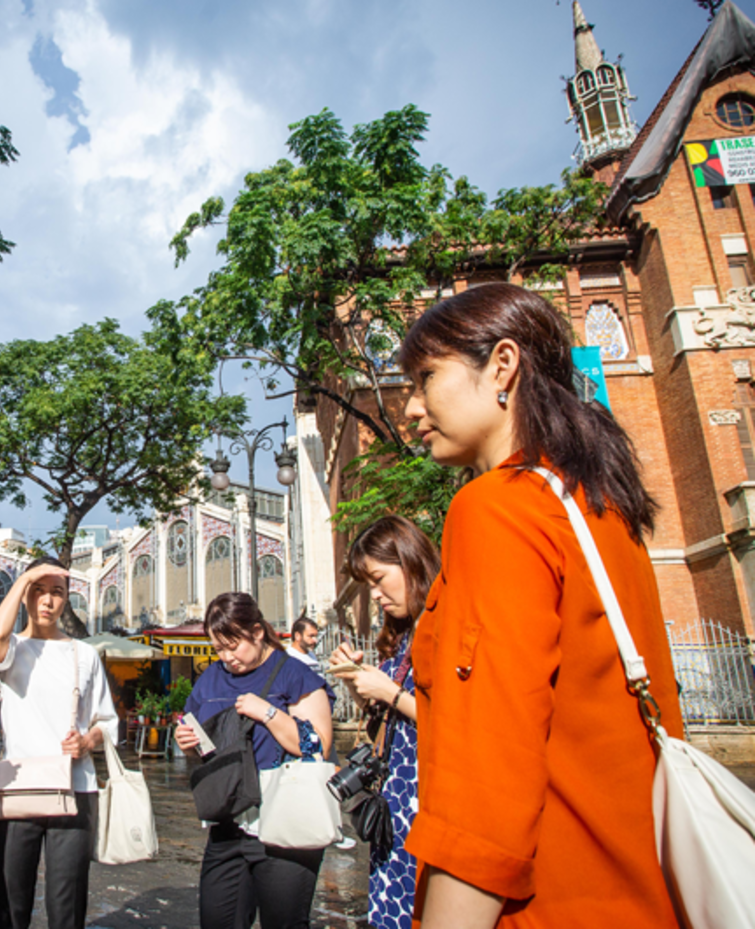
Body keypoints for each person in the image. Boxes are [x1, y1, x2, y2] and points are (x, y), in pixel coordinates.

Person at [398, 282, 682, 928]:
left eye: (425, 378)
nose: (410, 407)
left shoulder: (497, 508)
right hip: (641, 892)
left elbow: (487, 782)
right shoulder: (602, 507)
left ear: (502, 365)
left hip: (548, 903)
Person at [175, 592, 335, 929]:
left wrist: (269, 714)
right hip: (228, 820)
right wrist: (188, 742)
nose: (228, 657)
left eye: (234, 645)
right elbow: (202, 743)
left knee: (283, 921)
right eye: (218, 648)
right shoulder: (210, 679)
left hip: (285, 819)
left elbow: (317, 745)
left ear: (258, 631)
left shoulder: (294, 673)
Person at [0, 557, 118, 929]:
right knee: (10, 901)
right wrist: (25, 575)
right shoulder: (9, 648)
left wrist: (88, 740)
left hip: (75, 790)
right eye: (38, 591)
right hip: (17, 789)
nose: (47, 601)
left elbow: (108, 721)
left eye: (57, 592)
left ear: (67, 599)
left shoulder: (84, 654)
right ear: (24, 595)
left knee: (68, 903)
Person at [329, 516, 440, 929]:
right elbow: (388, 729)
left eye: (378, 579)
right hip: (397, 808)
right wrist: (362, 688)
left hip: (428, 803)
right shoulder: (404, 633)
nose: (374, 595)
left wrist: (389, 692)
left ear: (410, 560)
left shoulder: (444, 622)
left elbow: (460, 721)